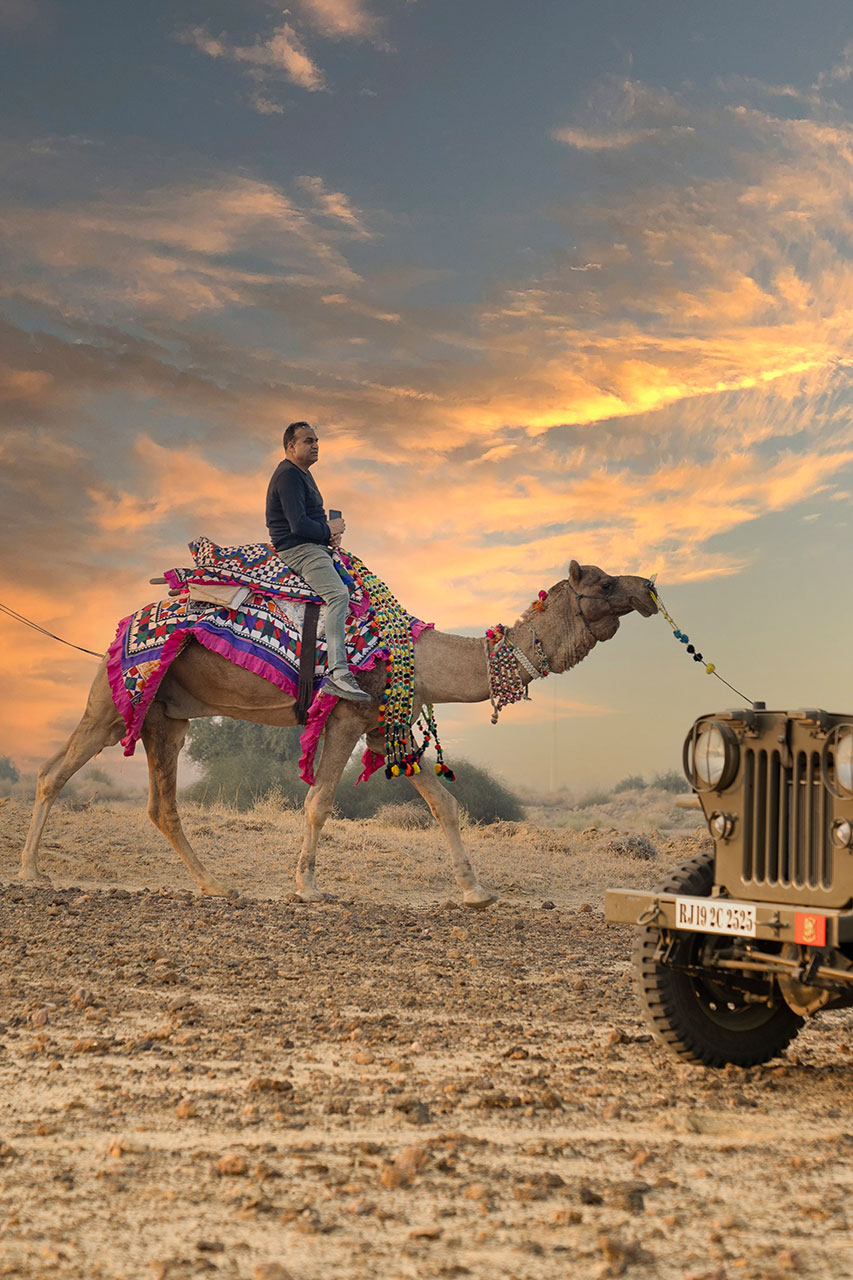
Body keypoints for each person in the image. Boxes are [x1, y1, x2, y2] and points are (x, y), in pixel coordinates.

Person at [265, 421, 370, 703]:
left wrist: (327, 532)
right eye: (308, 441)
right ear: (291, 446)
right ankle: (339, 673)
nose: (315, 445)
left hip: (314, 545)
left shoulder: (301, 474)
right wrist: (329, 530)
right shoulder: (288, 476)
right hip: (300, 549)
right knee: (338, 595)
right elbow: (298, 525)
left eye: (317, 441)